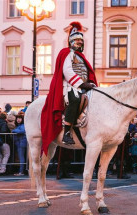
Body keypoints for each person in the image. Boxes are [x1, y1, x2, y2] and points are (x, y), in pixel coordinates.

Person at [41, 21, 98, 154]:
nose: (79, 42)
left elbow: (85, 71)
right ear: (71, 41)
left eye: (81, 40)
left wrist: (90, 82)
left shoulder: (82, 57)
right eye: (76, 40)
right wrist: (82, 84)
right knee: (75, 99)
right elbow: (67, 71)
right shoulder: (66, 53)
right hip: (70, 86)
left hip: (83, 85)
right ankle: (67, 132)